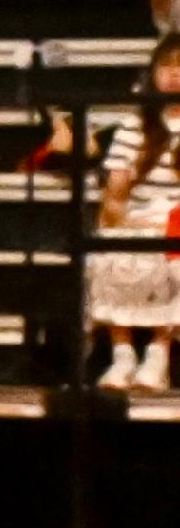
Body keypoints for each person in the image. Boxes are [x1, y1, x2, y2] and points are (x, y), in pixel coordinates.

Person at [88, 35, 180, 392]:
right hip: (136, 217)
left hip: (175, 220)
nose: (173, 75)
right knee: (111, 247)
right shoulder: (134, 126)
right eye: (166, 67)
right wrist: (118, 197)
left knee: (172, 255)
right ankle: (122, 354)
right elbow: (114, 199)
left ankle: (157, 355)